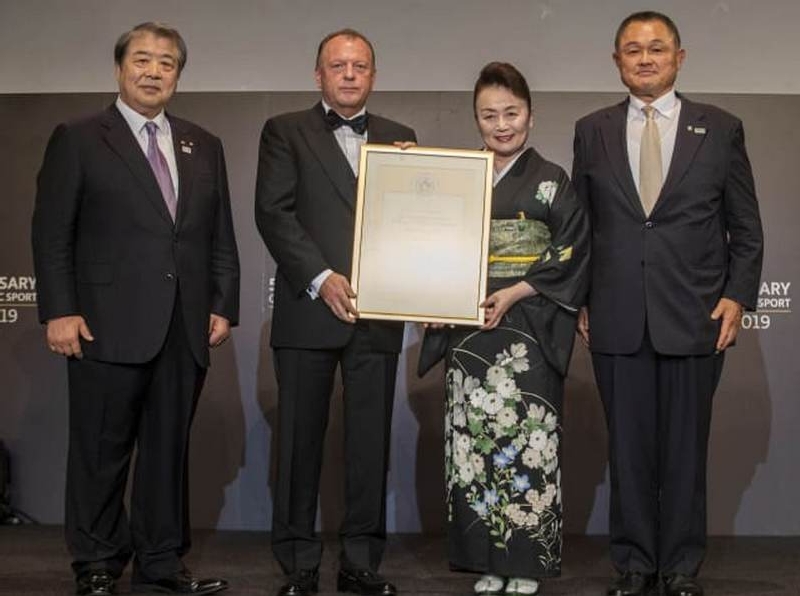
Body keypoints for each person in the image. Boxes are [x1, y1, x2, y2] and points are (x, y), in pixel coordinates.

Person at [31, 22, 240, 596]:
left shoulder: (204, 143)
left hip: (183, 324)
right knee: (101, 450)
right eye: (142, 60)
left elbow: (219, 235)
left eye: (166, 63)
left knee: (168, 452)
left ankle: (162, 561)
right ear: (120, 68)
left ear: (178, 75)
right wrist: (59, 310)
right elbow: (51, 234)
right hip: (103, 322)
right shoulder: (78, 137)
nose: (153, 71)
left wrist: (223, 302)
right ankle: (96, 561)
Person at [572, 11, 763, 596]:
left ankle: (680, 566)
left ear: (679, 57)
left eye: (657, 48)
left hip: (695, 317)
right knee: (628, 452)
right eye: (633, 50)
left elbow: (745, 227)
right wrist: (579, 299)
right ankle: (633, 565)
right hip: (616, 316)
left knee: (684, 452)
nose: (645, 58)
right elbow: (581, 227)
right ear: (617, 61)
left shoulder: (721, 128)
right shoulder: (592, 130)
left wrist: (737, 295)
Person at [254, 29, 416, 596]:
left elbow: (414, 224)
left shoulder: (401, 138)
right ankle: (298, 564)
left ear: (373, 75)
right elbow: (274, 214)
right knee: (299, 443)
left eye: (360, 66)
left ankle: (361, 563)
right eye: (338, 65)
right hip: (308, 311)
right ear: (318, 74)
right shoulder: (284, 131)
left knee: (370, 445)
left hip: (379, 313)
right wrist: (322, 279)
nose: (349, 74)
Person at [419, 62, 590, 596]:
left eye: (511, 113)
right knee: (473, 446)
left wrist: (516, 291)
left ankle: (527, 562)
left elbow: (571, 248)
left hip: (528, 326)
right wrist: (435, 298)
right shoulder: (461, 175)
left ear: (530, 116)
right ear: (476, 119)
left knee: (525, 439)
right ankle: (484, 560)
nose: (501, 125)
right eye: (489, 115)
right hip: (470, 325)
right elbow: (436, 245)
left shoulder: (551, 180)